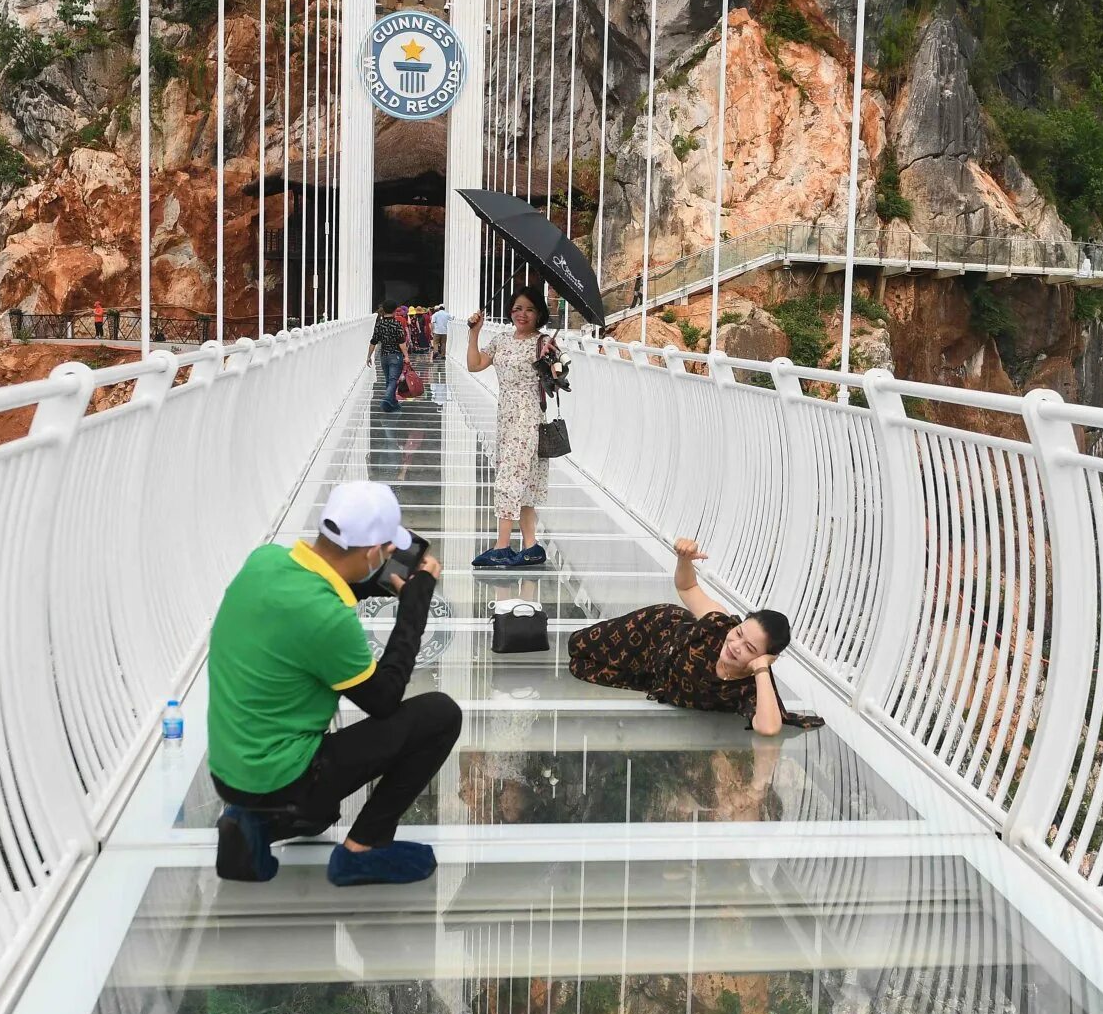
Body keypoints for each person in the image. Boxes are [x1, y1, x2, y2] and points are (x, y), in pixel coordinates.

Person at [204, 481, 461, 885]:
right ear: (372, 552)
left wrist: (383, 586)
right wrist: (415, 604)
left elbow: (324, 584)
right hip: (281, 779)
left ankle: (254, 823)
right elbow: (384, 699)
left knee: (319, 815)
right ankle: (365, 849)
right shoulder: (328, 620)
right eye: (389, 552)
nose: (390, 558)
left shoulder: (264, 561)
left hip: (229, 772)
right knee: (440, 715)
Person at [567, 538, 823, 734]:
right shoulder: (719, 623)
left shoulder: (748, 689)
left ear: (766, 658)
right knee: (577, 644)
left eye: (750, 649)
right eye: (739, 633)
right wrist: (684, 559)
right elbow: (687, 586)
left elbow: (768, 728)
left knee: (581, 668)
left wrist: (761, 671)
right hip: (653, 629)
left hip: (652, 673)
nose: (735, 645)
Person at [466, 285, 553, 568]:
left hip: (528, 417)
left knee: (509, 478)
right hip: (506, 416)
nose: (522, 314)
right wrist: (474, 332)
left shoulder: (543, 343)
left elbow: (559, 378)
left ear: (538, 313)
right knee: (521, 480)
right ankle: (531, 547)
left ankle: (502, 546)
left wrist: (552, 360)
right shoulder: (502, 340)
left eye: (529, 309)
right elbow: (475, 364)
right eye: (517, 308)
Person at [367, 300, 410, 413]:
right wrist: (406, 355)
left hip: (384, 356)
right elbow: (401, 342)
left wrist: (369, 356)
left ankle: (392, 403)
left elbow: (373, 341)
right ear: (395, 310)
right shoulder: (396, 324)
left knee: (389, 380)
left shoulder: (379, 324)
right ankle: (387, 399)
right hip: (395, 355)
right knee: (393, 380)